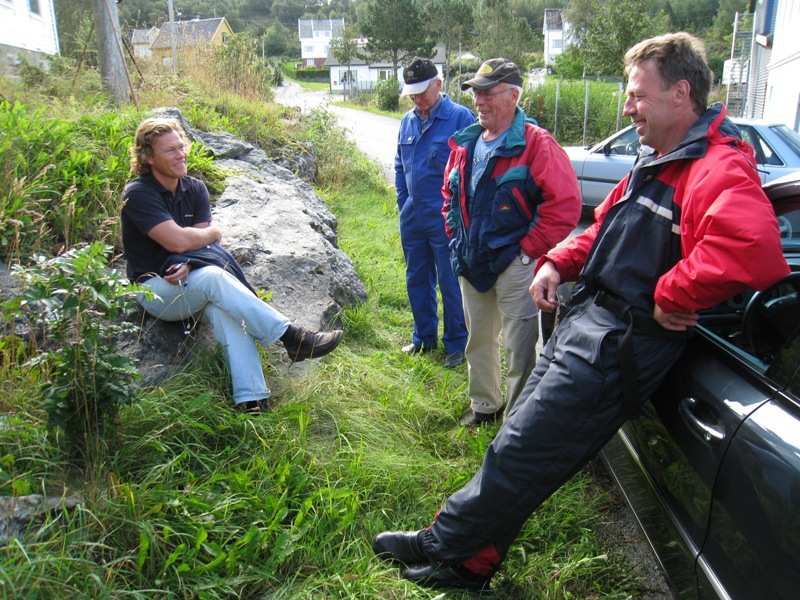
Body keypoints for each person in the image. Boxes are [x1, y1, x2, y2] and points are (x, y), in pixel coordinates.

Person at [372, 33, 790, 591]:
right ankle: (473, 561)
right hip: (588, 322)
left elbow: (751, 248)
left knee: (520, 452)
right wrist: (555, 263)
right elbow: (599, 228)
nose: (627, 106)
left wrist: (672, 295)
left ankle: (439, 542)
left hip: (618, 346)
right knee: (519, 446)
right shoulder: (662, 159)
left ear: (680, 93)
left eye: (638, 95)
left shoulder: (715, 168)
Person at [121, 117, 343, 413]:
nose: (181, 154)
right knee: (213, 276)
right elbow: (178, 241)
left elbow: (201, 247)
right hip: (155, 290)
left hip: (192, 283)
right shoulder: (138, 194)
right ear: (148, 158)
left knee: (225, 310)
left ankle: (251, 399)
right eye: (170, 151)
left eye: (181, 146)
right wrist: (207, 236)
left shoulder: (195, 189)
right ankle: (291, 337)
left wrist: (191, 255)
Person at [440, 58, 581, 426]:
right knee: (478, 339)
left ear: (514, 95)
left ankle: (517, 420)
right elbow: (449, 195)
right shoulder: (466, 143)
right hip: (471, 261)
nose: (479, 101)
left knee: (520, 347)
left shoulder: (537, 144)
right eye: (476, 93)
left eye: (488, 93)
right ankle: (485, 406)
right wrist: (456, 239)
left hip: (516, 263)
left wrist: (528, 251)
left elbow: (565, 206)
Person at [395, 57, 475, 368]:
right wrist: (404, 204)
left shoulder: (460, 118)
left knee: (450, 280)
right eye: (412, 93)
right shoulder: (407, 121)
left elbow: (473, 168)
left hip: (446, 216)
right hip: (413, 215)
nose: (417, 99)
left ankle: (456, 344)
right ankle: (423, 338)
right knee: (417, 277)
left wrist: (460, 213)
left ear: (438, 85)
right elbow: (400, 166)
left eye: (422, 92)